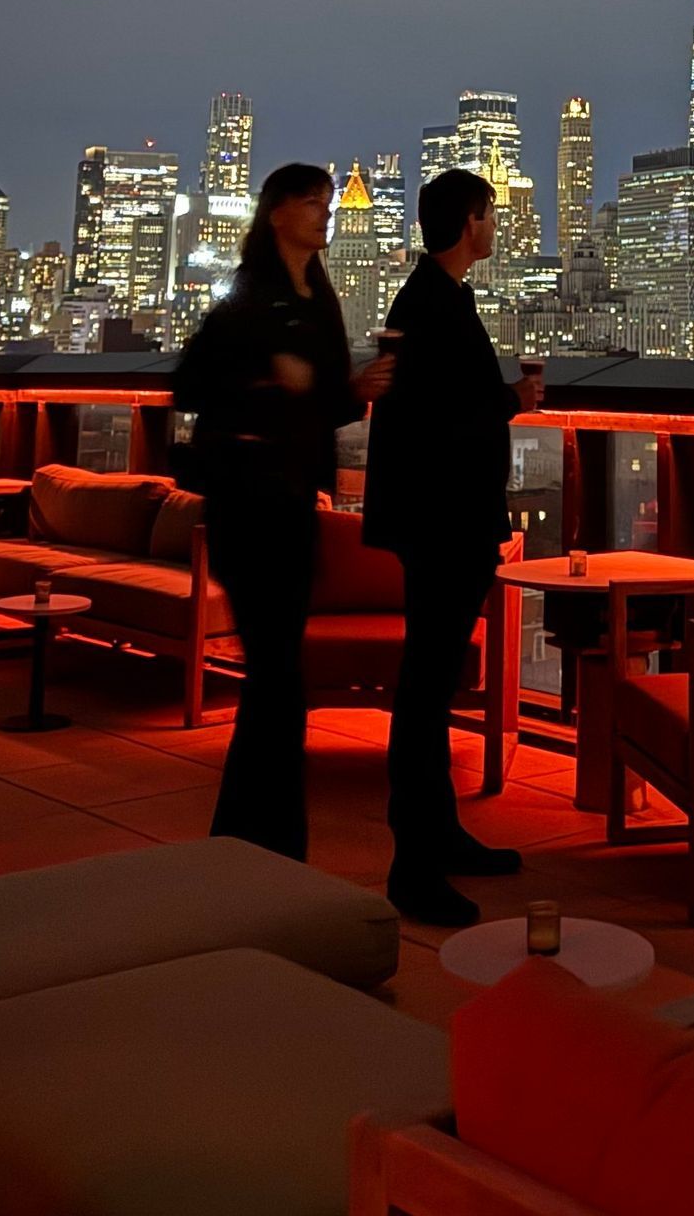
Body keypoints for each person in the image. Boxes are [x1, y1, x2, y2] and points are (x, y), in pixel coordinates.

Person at [173, 163, 392, 859]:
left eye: (328, 203)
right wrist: (268, 377)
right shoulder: (250, 296)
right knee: (277, 676)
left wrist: (357, 389)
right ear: (276, 213)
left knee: (276, 676)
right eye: (311, 203)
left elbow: (322, 406)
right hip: (247, 501)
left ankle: (248, 839)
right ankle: (263, 843)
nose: (325, 214)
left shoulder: (320, 300)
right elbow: (190, 384)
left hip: (294, 500)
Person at [363, 167, 543, 925]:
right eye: (491, 214)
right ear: (470, 222)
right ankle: (414, 865)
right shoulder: (433, 303)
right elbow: (438, 416)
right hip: (442, 523)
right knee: (424, 690)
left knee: (428, 688)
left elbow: (423, 409)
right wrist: (513, 400)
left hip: (437, 520)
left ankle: (437, 836)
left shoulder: (431, 297)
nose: (497, 226)